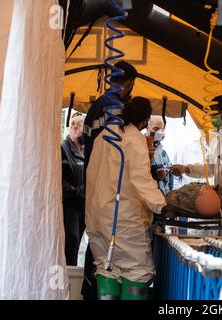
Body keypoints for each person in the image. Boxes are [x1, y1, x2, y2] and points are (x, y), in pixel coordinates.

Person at [85, 97, 166, 300]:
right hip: (124, 220)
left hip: (98, 218)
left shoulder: (104, 135)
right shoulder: (134, 139)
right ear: (145, 120)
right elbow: (141, 179)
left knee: (106, 267)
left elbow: (91, 176)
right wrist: (162, 206)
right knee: (137, 270)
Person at [81, 60, 137, 300]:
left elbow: (86, 141)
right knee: (104, 241)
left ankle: (90, 291)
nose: (130, 90)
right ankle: (95, 292)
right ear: (124, 84)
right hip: (106, 181)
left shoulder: (97, 105)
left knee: (95, 236)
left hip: (93, 178)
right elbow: (117, 148)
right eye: (130, 85)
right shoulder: (113, 106)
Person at [171, 95, 222, 187]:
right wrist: (186, 169)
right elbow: (210, 169)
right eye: (210, 115)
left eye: (214, 115)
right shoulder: (217, 137)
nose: (212, 118)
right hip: (221, 193)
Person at [61, 112, 86, 266]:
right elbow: (59, 180)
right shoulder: (63, 149)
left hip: (81, 207)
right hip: (69, 206)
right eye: (84, 129)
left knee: (76, 246)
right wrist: (77, 192)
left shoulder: (85, 151)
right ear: (74, 128)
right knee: (71, 242)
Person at [146, 116, 174, 195]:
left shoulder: (163, 151)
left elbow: (169, 177)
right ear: (147, 128)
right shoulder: (140, 147)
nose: (159, 132)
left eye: (162, 130)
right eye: (155, 129)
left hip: (164, 197)